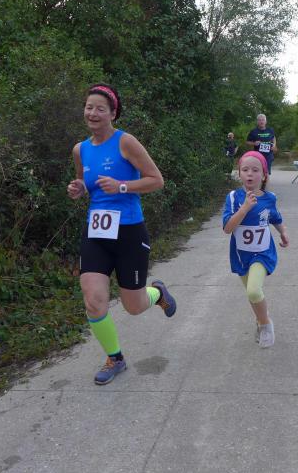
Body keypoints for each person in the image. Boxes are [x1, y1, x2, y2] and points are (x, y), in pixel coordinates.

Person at [67, 83, 177, 385]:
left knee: (134, 306)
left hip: (129, 231)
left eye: (100, 109)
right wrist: (78, 188)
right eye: (89, 107)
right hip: (96, 232)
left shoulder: (125, 142)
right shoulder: (80, 149)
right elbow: (83, 183)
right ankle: (115, 358)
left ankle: (157, 294)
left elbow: (156, 180)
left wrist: (122, 186)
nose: (93, 113)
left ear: (113, 113)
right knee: (93, 299)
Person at [222, 151, 289, 348]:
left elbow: (275, 218)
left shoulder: (270, 198)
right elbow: (227, 228)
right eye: (245, 170)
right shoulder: (233, 197)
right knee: (252, 295)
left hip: (263, 253)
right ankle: (261, 320)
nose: (250, 174)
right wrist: (244, 208)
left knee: (253, 291)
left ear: (264, 175)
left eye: (255, 170)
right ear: (239, 174)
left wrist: (283, 233)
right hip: (241, 255)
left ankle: (265, 324)